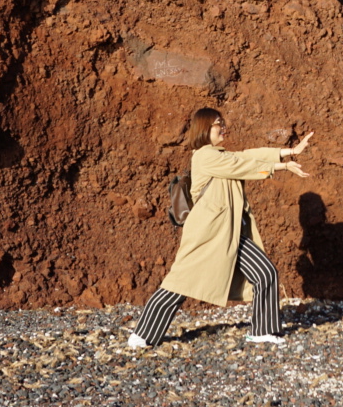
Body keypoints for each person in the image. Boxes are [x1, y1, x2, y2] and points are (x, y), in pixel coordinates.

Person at [129, 108, 312, 348]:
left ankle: (264, 331)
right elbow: (239, 164)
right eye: (218, 124)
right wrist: (283, 167)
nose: (223, 127)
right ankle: (143, 334)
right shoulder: (204, 156)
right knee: (180, 283)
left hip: (230, 232)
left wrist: (288, 152)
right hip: (208, 234)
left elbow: (245, 156)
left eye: (222, 123)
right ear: (205, 128)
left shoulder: (219, 154)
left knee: (264, 272)